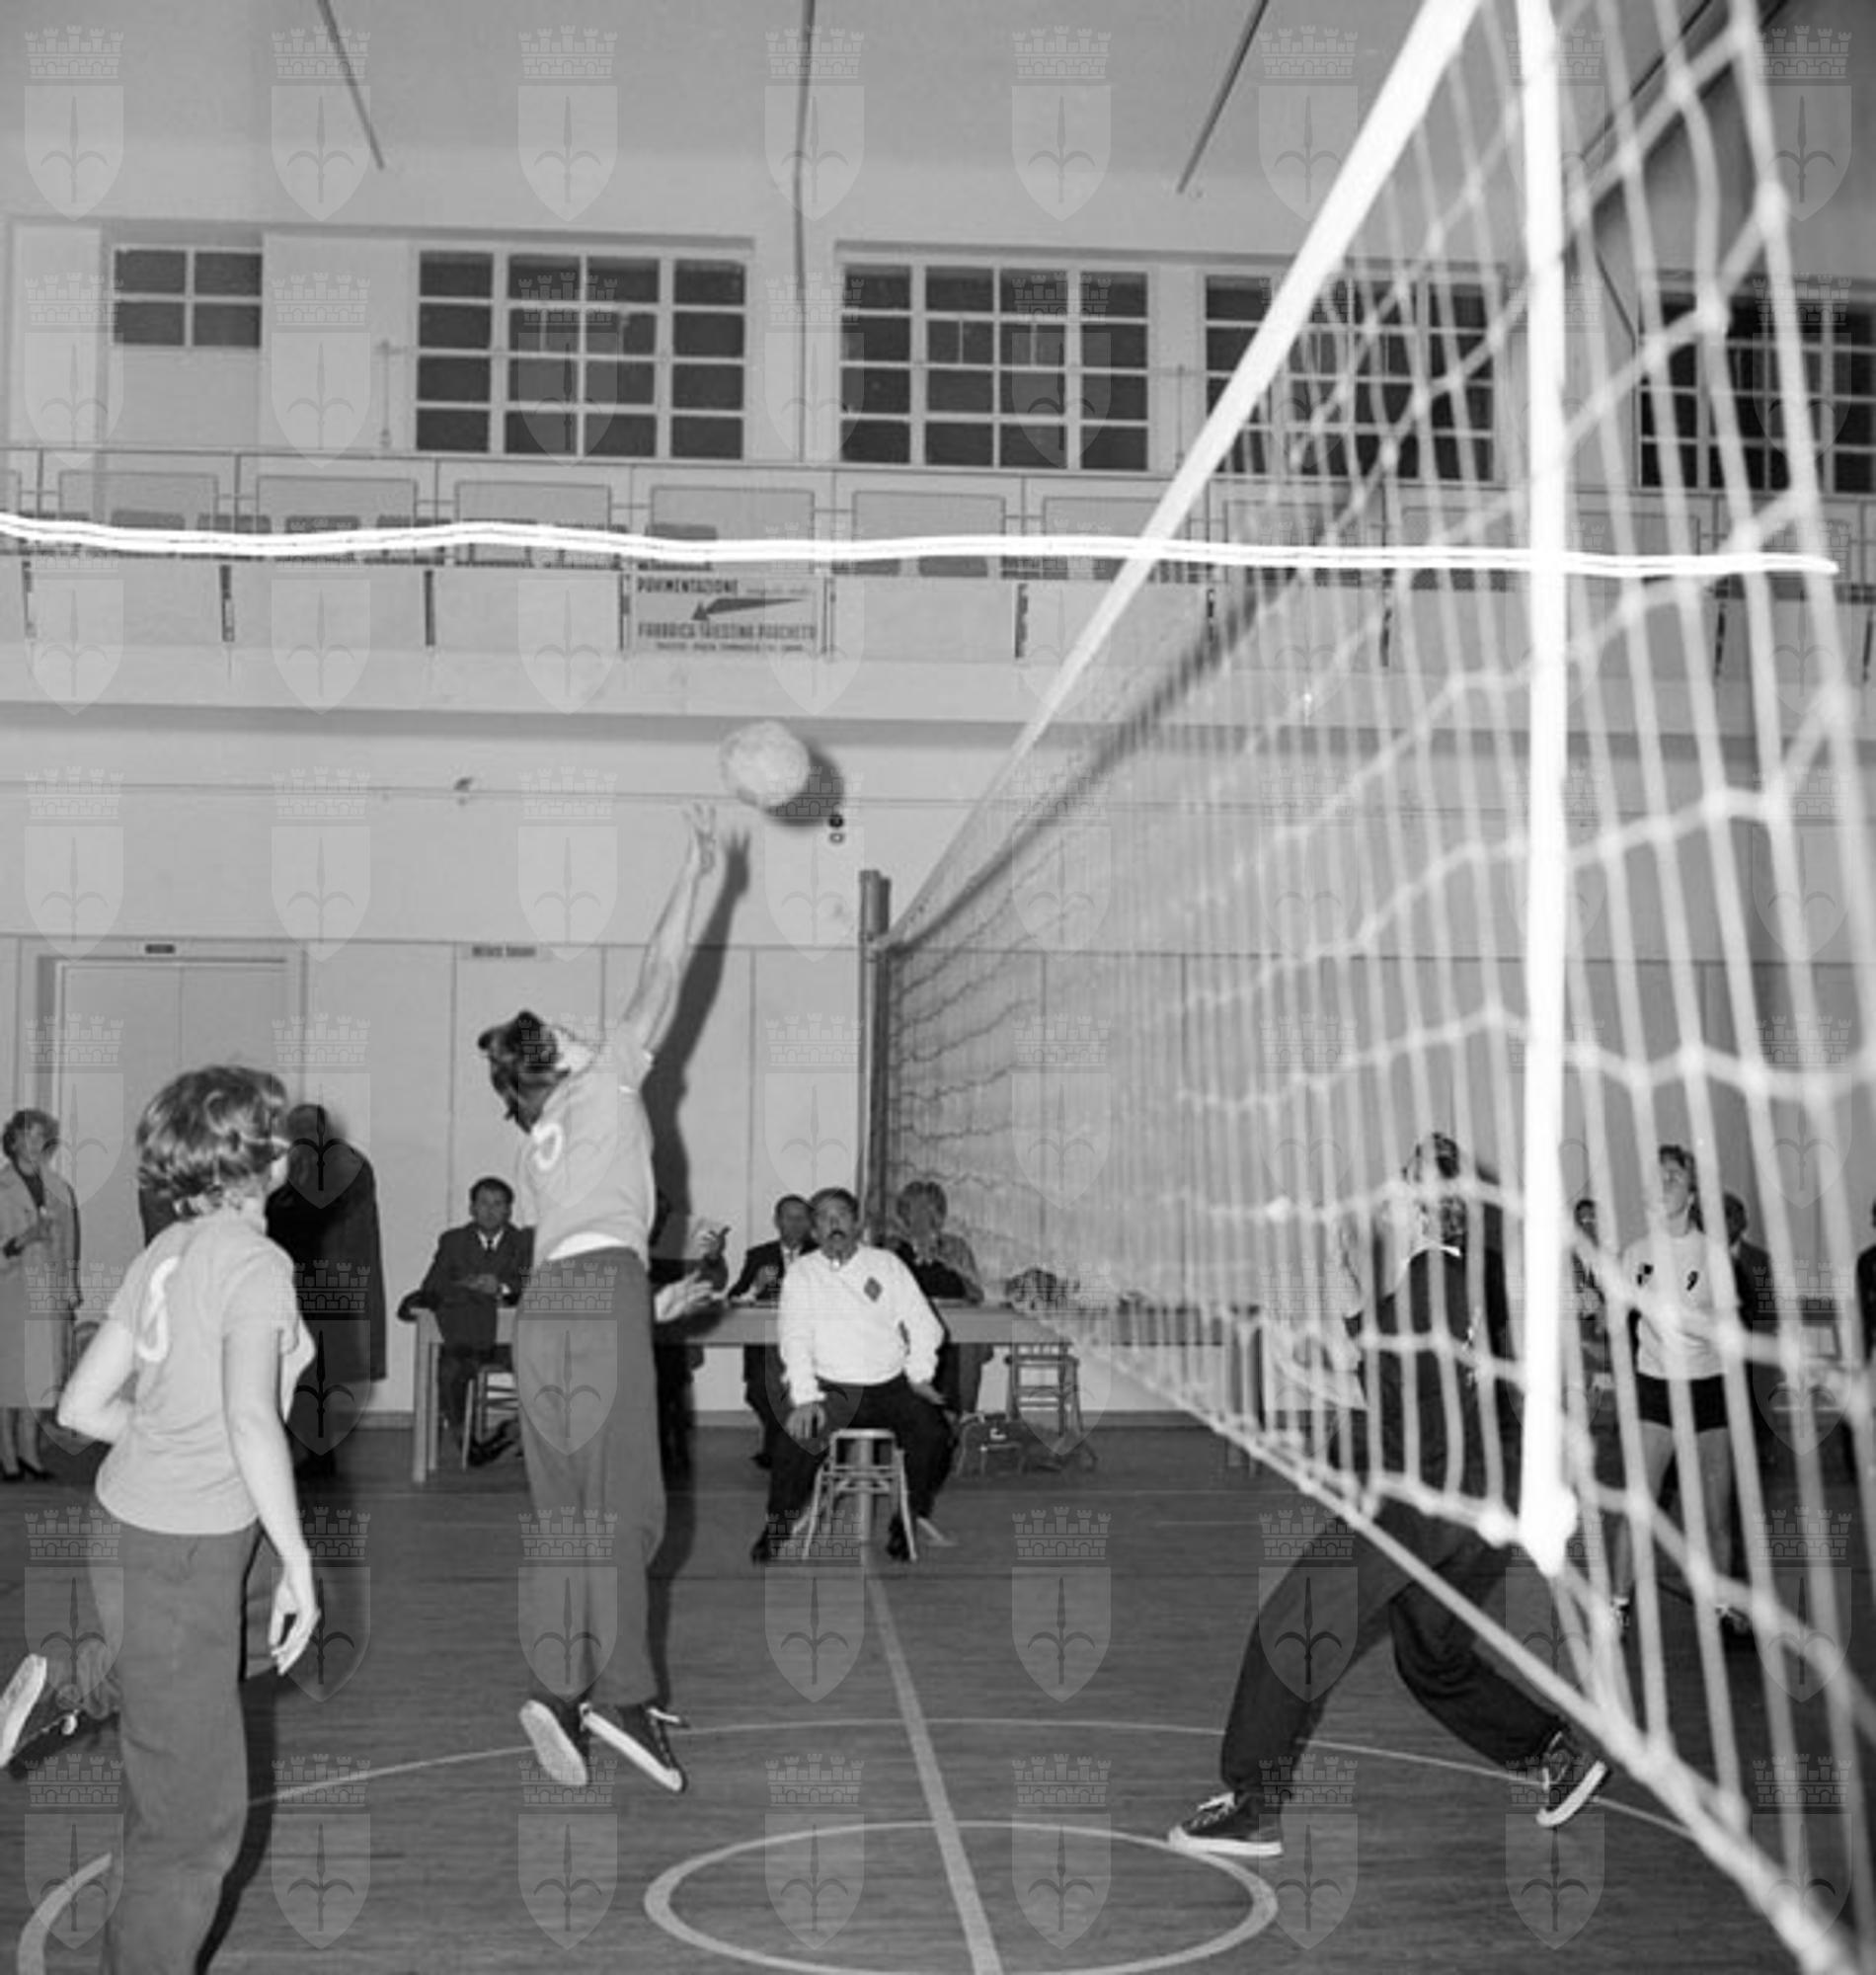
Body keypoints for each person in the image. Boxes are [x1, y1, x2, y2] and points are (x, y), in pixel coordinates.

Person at [1170, 1133, 1607, 1859]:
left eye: (1408, 1181)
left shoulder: (1425, 1292)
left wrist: (1293, 1368)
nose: (1393, 1189)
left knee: (1290, 1627)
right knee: (1431, 1658)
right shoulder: (1462, 1276)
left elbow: (1368, 1383)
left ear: (1429, 1207)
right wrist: (1339, 1275)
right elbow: (1392, 1366)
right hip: (1483, 1507)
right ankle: (1556, 1756)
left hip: (1426, 1504)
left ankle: (1251, 1806)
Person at [0, 1066, 318, 1973]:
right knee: (192, 1824)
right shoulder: (255, 1263)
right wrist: (300, 1560)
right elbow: (252, 1419)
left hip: (135, 1522)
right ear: (258, 1157)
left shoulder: (167, 1248)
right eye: (277, 1129)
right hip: (182, 1549)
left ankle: (72, 1689)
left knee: (245, 1650)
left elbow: (82, 1406)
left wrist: (171, 1435)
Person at [481, 802, 722, 1796]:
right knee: (627, 1511)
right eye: (572, 1032)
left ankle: (559, 1684)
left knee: (567, 1512)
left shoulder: (534, 1150)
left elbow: (572, 1255)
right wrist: (697, 874)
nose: (589, 1030)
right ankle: (622, 1699)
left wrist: (653, 1310)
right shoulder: (611, 1076)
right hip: (601, 1292)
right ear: (561, 1062)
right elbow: (663, 970)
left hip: (545, 1314)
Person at [751, 1186, 955, 1562]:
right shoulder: (802, 1274)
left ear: (857, 1223)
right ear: (814, 1230)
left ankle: (906, 1518)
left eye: (842, 1215)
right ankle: (778, 1526)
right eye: (825, 1218)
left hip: (889, 1384)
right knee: (793, 1442)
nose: (835, 1224)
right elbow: (794, 1338)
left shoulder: (887, 1265)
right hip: (831, 1388)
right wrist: (805, 1398)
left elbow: (926, 1325)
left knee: (935, 1435)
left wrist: (919, 1374)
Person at [1608, 1146, 1748, 1638]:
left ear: (1691, 1194)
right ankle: (1616, 1606)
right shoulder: (1634, 1254)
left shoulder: (1714, 1256)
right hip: (1655, 1391)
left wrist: (1703, 1328)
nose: (1664, 1181)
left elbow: (1732, 1335)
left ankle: (1722, 1607)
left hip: (1708, 1391)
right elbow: (1614, 1323)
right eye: (1658, 1174)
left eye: (1674, 1175)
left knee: (1715, 1515)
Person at [265, 1103, 387, 1478]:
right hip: (318, 1284)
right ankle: (312, 1454)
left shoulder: (323, 1167)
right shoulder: (347, 1165)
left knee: (307, 1371)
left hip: (313, 1283)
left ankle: (306, 1454)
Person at [397, 1176, 532, 1464]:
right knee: (449, 1371)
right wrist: (470, 1286)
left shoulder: (523, 1242)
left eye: (498, 1204)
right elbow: (432, 1285)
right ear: (472, 1208)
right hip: (464, 1338)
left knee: (541, 1367)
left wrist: (501, 1287)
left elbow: (531, 1282)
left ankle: (524, 1434)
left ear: (509, 1210)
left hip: (512, 1343)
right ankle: (467, 1444)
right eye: (483, 1203)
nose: (490, 1211)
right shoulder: (453, 1241)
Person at [0, 1109, 81, 1481]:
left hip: (46, 1295)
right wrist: (22, 1241)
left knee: (36, 1378)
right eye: (28, 1135)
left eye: (41, 1136)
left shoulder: (60, 1189)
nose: (35, 1143)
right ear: (13, 1140)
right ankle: (7, 1456)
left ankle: (30, 1452)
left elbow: (69, 1245)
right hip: (10, 1294)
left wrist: (69, 1288)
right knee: (7, 1378)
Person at [728, 1194, 816, 1467]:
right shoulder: (759, 1255)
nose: (796, 1224)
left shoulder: (821, 1254)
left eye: (802, 1218)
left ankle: (779, 1449)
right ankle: (783, 1443)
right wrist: (755, 1287)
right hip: (766, 1343)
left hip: (809, 1346)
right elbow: (734, 1298)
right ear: (777, 1221)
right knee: (759, 1391)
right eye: (790, 1218)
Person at [893, 1178, 991, 1417]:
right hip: (908, 1326)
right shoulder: (891, 1248)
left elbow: (976, 1294)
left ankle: (963, 1416)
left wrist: (951, 1263)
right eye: (915, 1208)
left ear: (940, 1213)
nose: (923, 1216)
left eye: (930, 1208)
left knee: (970, 1339)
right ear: (904, 1214)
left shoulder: (956, 1246)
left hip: (955, 1322)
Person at [647, 1195, 729, 1478]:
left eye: (663, 1211)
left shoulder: (685, 1239)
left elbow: (715, 1282)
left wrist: (713, 1258)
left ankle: (670, 1454)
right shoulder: (624, 1238)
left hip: (672, 1335)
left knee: (670, 1389)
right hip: (632, 1334)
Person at [1724, 1193, 1775, 1476]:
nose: (1726, 1221)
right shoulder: (1700, 1255)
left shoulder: (1759, 1259)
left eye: (1731, 1214)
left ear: (1743, 1221)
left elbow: (1768, 1307)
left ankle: (1759, 1449)